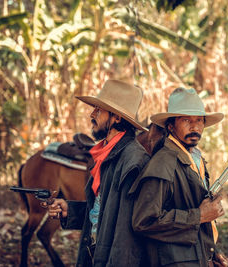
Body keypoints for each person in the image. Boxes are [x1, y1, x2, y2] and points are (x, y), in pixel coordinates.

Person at [46, 79, 150, 267]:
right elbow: (103, 212)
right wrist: (70, 210)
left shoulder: (133, 161)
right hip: (94, 253)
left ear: (117, 117)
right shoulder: (108, 154)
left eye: (98, 110)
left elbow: (125, 233)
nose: (92, 114)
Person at [129, 87, 228, 267]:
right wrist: (199, 216)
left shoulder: (195, 159)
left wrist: (211, 253)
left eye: (199, 120)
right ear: (170, 126)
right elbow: (144, 221)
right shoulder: (163, 164)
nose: (194, 126)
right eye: (186, 120)